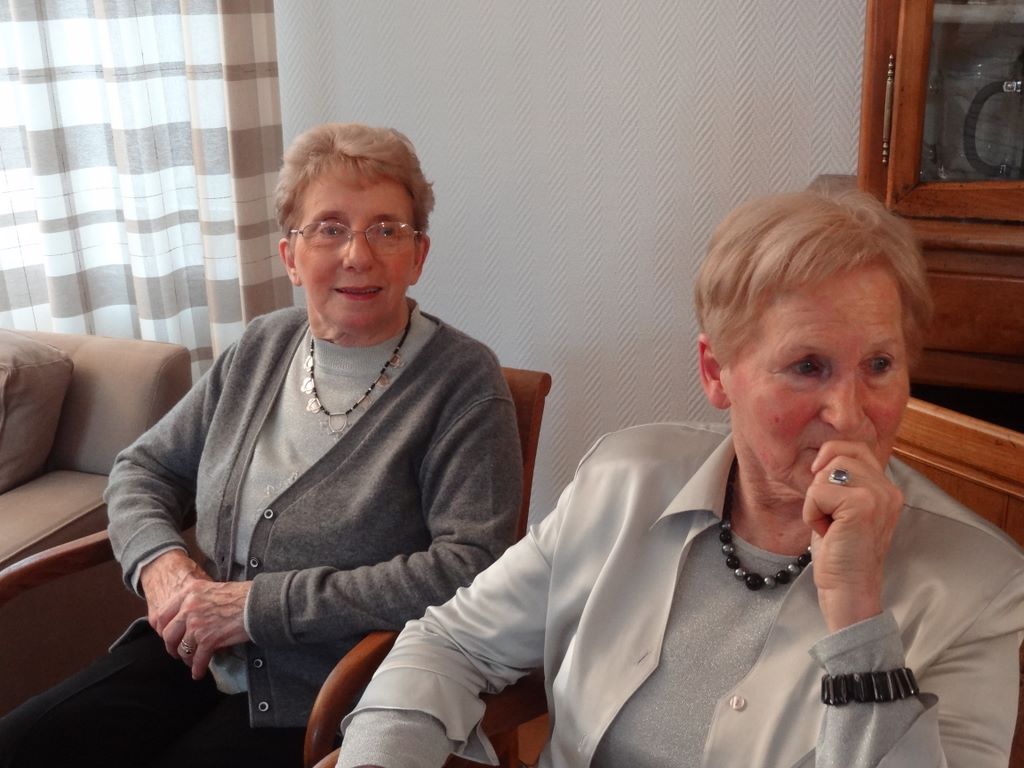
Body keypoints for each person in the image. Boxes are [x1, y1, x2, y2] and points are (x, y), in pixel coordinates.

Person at [337, 188, 1024, 767]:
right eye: (807, 367)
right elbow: (450, 643)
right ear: (716, 372)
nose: (849, 413)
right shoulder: (623, 481)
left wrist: (858, 619)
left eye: (879, 365)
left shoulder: (982, 588)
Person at [0, 123, 523, 768]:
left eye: (387, 230)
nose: (358, 254)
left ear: (418, 255)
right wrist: (164, 569)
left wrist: (256, 608)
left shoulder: (463, 382)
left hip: (333, 686)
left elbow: (469, 568)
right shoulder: (261, 347)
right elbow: (143, 469)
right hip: (194, 651)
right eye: (329, 228)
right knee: (21, 745)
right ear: (290, 255)